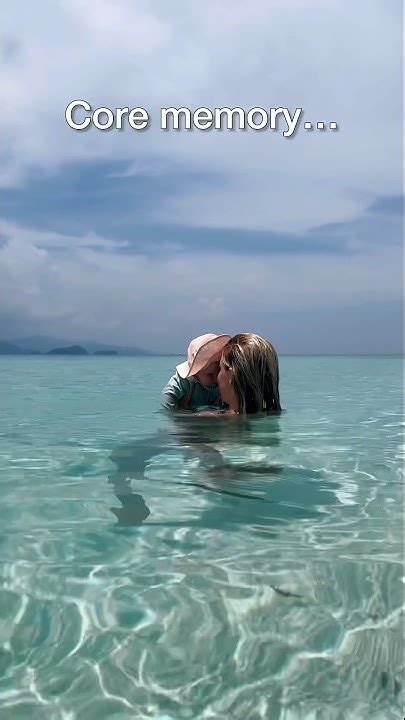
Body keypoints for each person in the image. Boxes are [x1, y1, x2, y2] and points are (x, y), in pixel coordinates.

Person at [215, 333, 281, 415]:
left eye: (219, 368)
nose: (216, 377)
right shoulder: (272, 416)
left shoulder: (206, 419)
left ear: (232, 376)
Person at [161, 333, 231, 411]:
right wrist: (173, 413)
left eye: (219, 371)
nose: (217, 378)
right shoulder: (185, 381)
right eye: (210, 375)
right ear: (195, 373)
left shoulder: (224, 381)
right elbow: (168, 395)